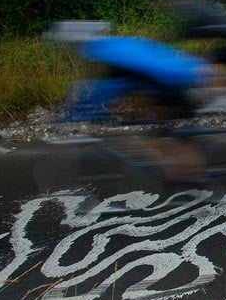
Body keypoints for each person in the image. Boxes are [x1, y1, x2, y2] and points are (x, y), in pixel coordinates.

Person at [45, 20, 212, 182]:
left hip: (171, 84)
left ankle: (194, 177)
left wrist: (78, 115)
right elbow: (127, 79)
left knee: (160, 138)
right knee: (164, 135)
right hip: (176, 77)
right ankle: (181, 169)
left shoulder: (105, 53)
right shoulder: (114, 44)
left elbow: (109, 85)